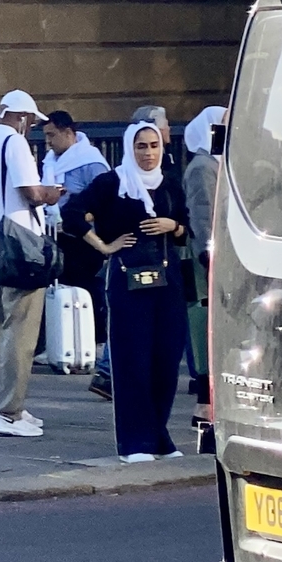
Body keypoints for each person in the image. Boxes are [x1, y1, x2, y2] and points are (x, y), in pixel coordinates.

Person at [68, 121, 189, 461]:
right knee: (132, 360)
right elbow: (72, 213)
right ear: (129, 148)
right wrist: (104, 246)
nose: (148, 153)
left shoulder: (169, 184)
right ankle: (134, 442)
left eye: (153, 146)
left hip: (168, 281)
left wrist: (173, 225)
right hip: (128, 278)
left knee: (166, 360)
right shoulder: (112, 183)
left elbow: (186, 226)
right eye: (141, 146)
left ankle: (158, 435)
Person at [0, 91, 61, 437]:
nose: (32, 127)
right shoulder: (15, 144)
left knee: (7, 327)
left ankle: (15, 406)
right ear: (21, 118)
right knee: (20, 334)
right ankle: (7, 413)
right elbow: (31, 194)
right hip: (20, 246)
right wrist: (52, 193)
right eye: (32, 121)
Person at [40, 111, 112, 390]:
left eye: (52, 135)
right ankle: (64, 341)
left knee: (87, 286)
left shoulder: (90, 162)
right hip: (59, 233)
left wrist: (88, 217)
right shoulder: (51, 161)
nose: (48, 142)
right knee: (62, 285)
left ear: (68, 132)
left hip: (84, 235)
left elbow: (106, 195)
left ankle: (93, 342)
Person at [184, 104, 226, 426]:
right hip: (205, 262)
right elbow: (203, 216)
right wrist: (210, 257)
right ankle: (205, 404)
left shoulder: (217, 164)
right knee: (204, 328)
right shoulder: (203, 167)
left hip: (213, 257)